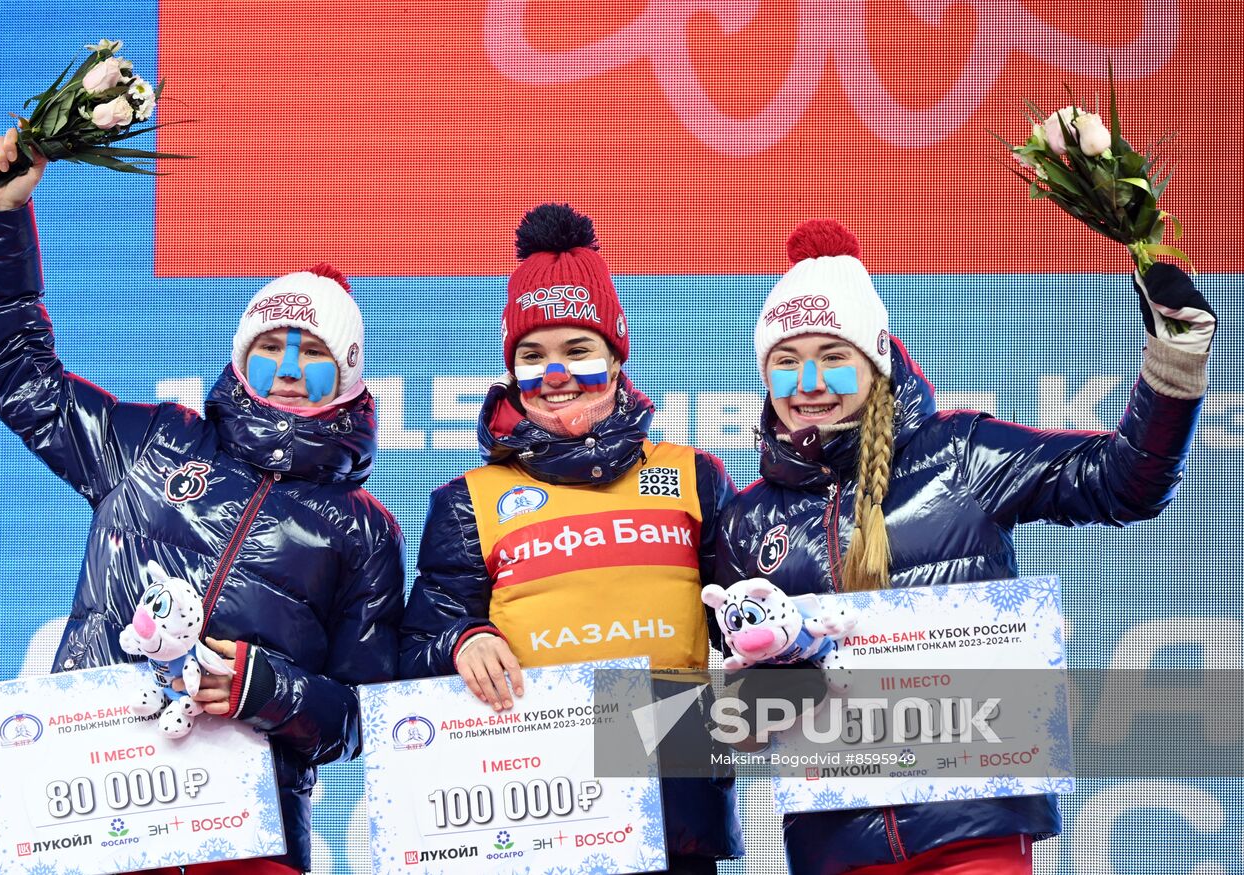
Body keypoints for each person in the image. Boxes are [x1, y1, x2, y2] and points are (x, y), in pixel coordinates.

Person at [717, 218, 1214, 874]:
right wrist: (760, 694)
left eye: (833, 357)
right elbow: (719, 716)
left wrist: (1173, 360)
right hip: (834, 849)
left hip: (970, 835)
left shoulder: (961, 454)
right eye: (786, 362)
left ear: (875, 361)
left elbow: (1125, 482)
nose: (809, 382)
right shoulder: (746, 524)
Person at [0, 129, 405, 874]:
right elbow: (20, 375)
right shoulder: (154, 443)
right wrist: (1, 217)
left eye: (316, 352)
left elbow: (369, 720)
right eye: (272, 344)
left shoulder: (364, 531)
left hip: (243, 839)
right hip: (88, 805)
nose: (290, 367)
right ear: (241, 352)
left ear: (352, 374)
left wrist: (268, 689)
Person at [398, 203, 744, 873]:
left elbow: (748, 629)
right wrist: (462, 641)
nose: (554, 372)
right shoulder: (468, 499)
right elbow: (415, 650)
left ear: (616, 359)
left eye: (577, 350)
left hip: (675, 820)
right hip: (533, 817)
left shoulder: (694, 475)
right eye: (533, 355)